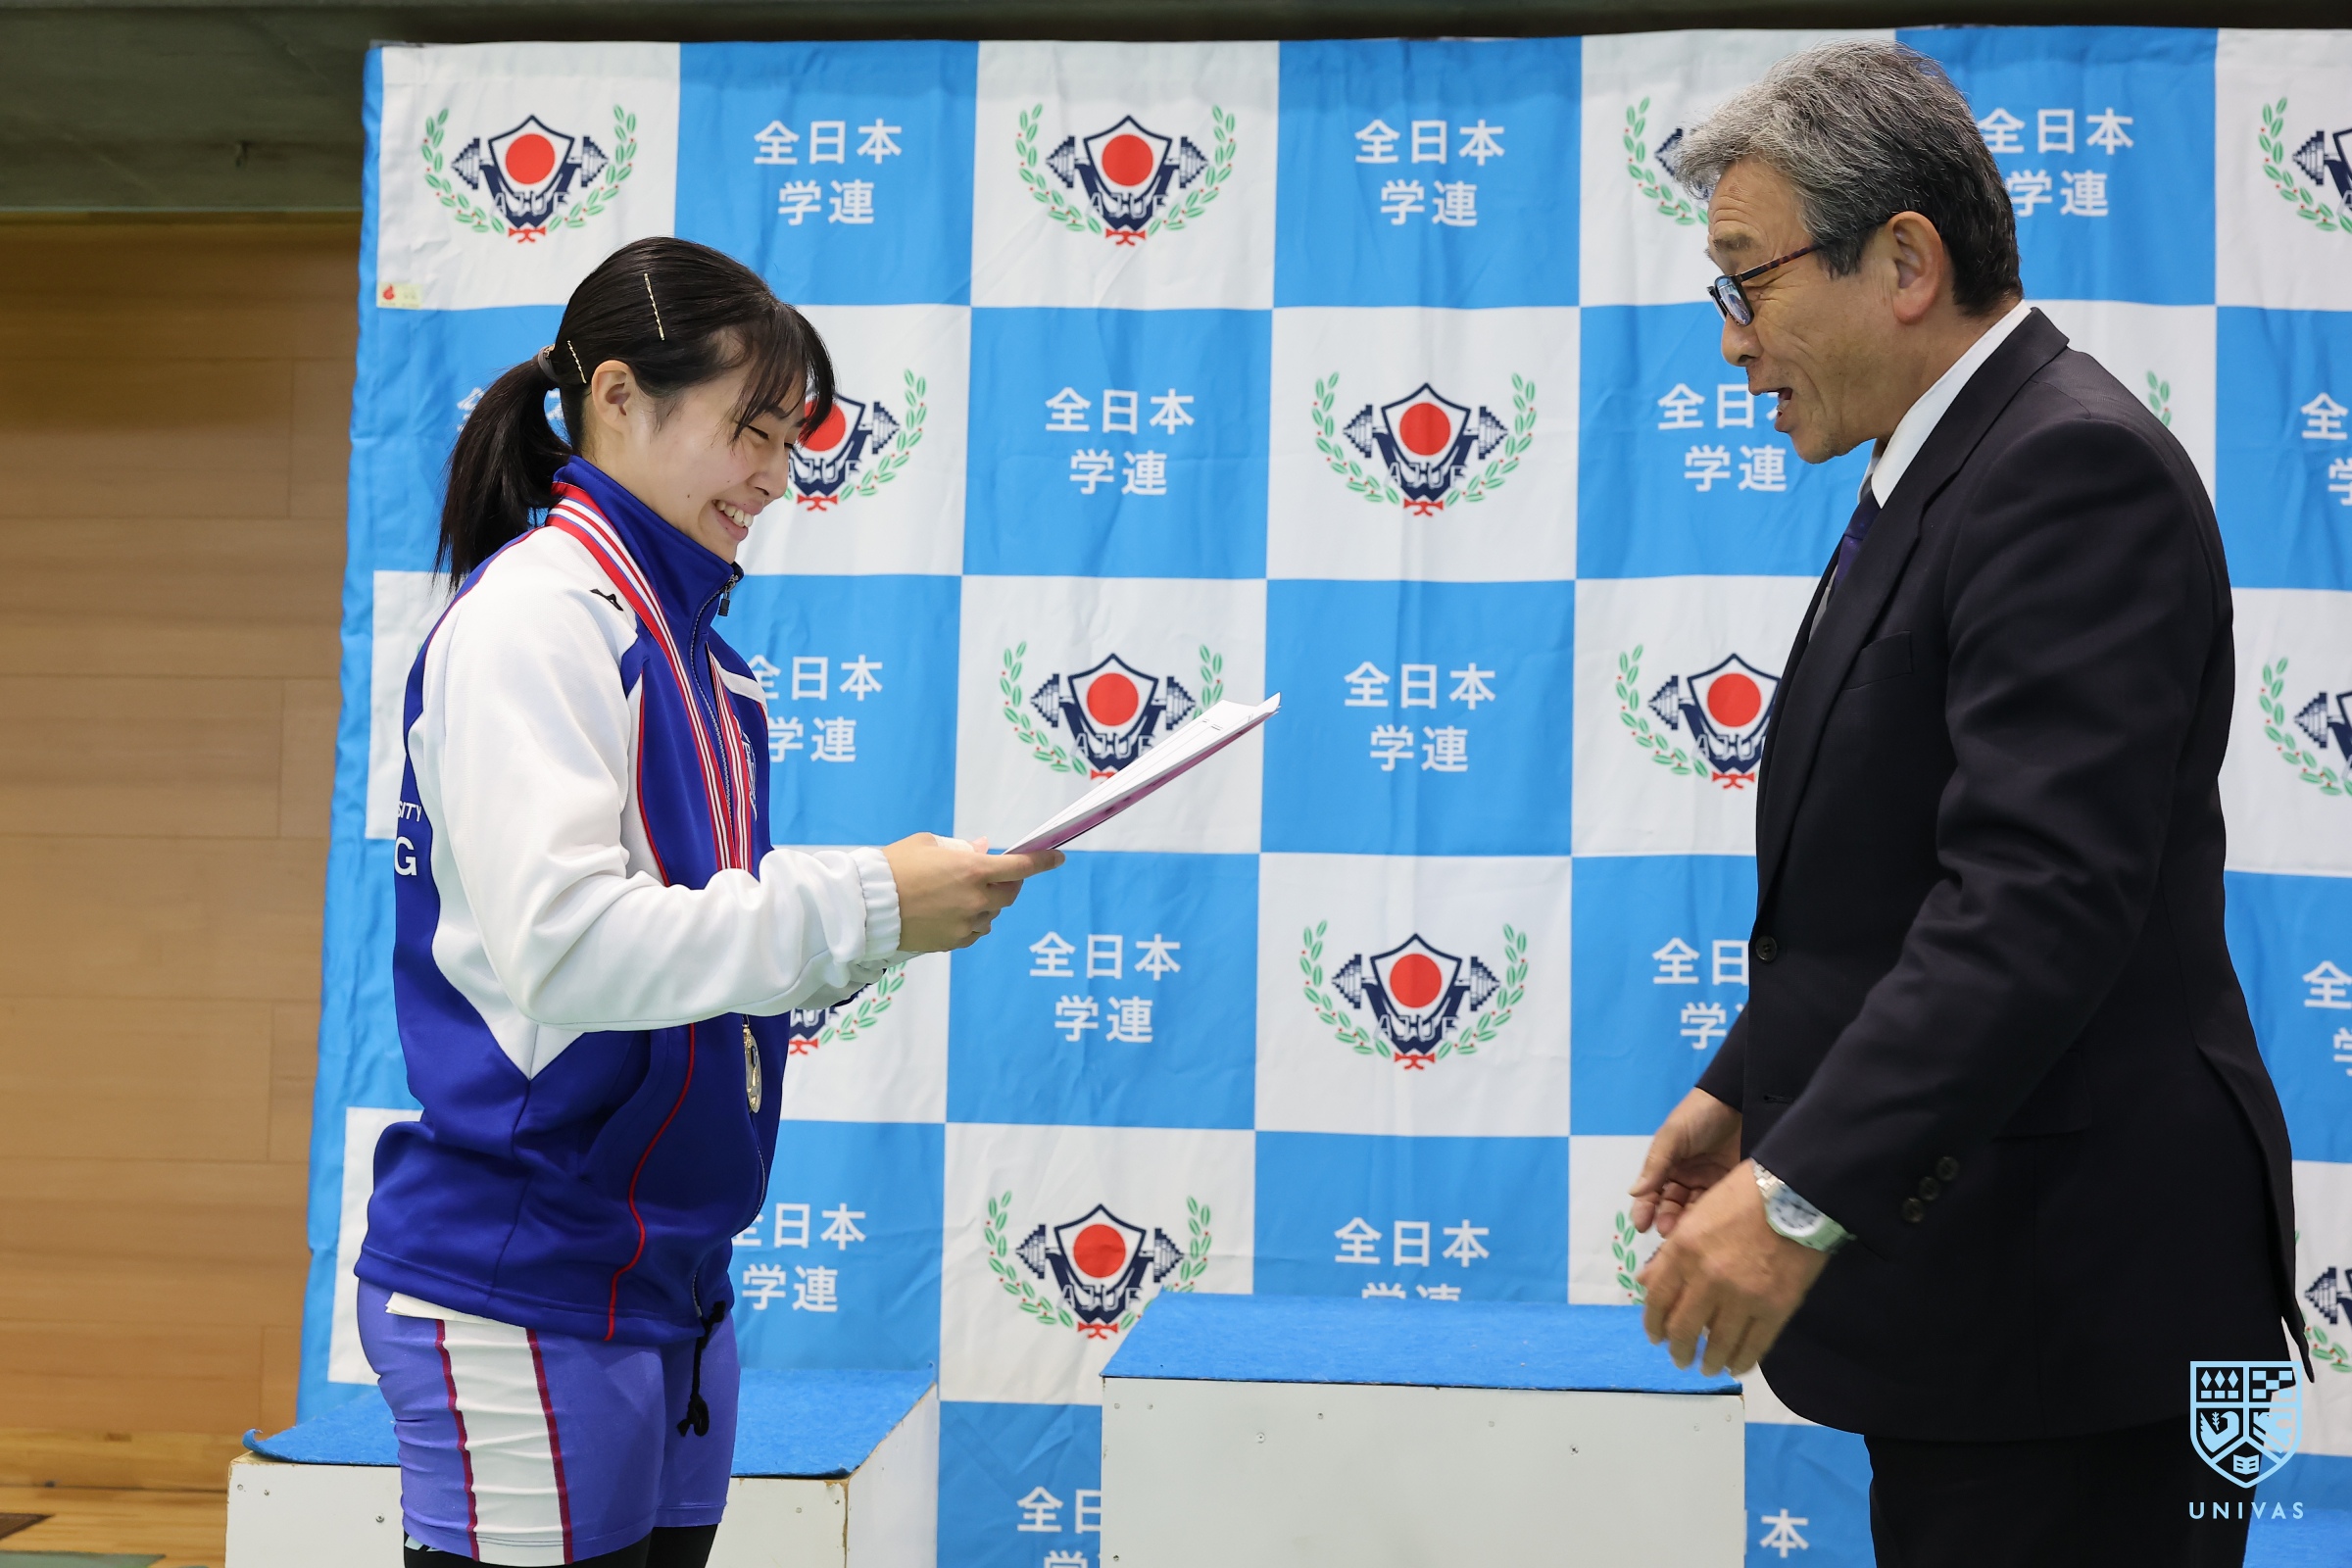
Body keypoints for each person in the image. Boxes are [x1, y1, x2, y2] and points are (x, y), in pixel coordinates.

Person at [1622, 41, 2303, 1568]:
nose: (1731, 341)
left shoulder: (2069, 473)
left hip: (2087, 1324)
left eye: (1748, 282)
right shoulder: (1940, 470)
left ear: (1906, 262)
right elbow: (1894, 875)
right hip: (2002, 1312)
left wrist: (1798, 1192)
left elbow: (2034, 904)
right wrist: (1748, 1086)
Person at [356, 236, 1061, 1568]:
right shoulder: (538, 621)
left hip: (668, 1276)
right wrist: (869, 904)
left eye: (790, 441)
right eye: (751, 430)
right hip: (526, 1276)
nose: (775, 477)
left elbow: (697, 958)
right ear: (619, 398)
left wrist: (887, 920)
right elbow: (570, 949)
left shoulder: (705, 660)